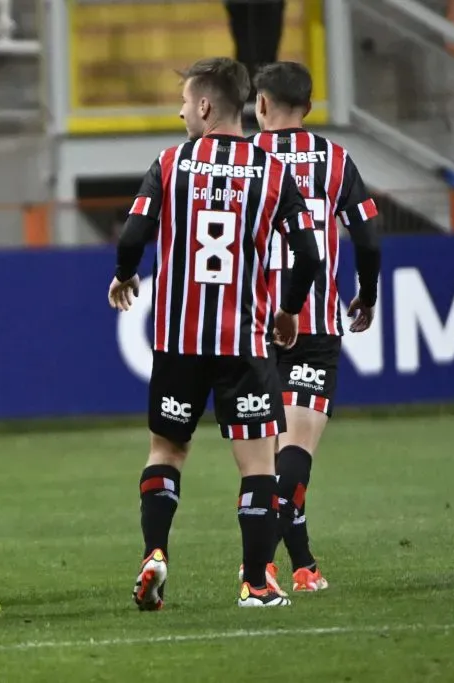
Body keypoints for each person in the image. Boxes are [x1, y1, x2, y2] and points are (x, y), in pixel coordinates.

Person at [108, 56, 322, 610]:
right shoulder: (274, 171)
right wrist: (290, 310)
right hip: (243, 341)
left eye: (184, 103)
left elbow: (134, 233)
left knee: (166, 449)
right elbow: (307, 253)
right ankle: (255, 582)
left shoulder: (171, 163)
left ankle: (155, 552)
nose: (181, 113)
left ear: (205, 106)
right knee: (258, 465)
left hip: (180, 338)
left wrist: (125, 275)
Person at [250, 61, 381, 592]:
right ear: (308, 106)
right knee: (296, 452)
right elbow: (368, 237)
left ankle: (298, 563)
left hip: (253, 326)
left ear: (260, 105)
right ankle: (270, 563)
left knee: (267, 455)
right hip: (314, 322)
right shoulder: (334, 159)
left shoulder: (243, 159)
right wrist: (366, 296)